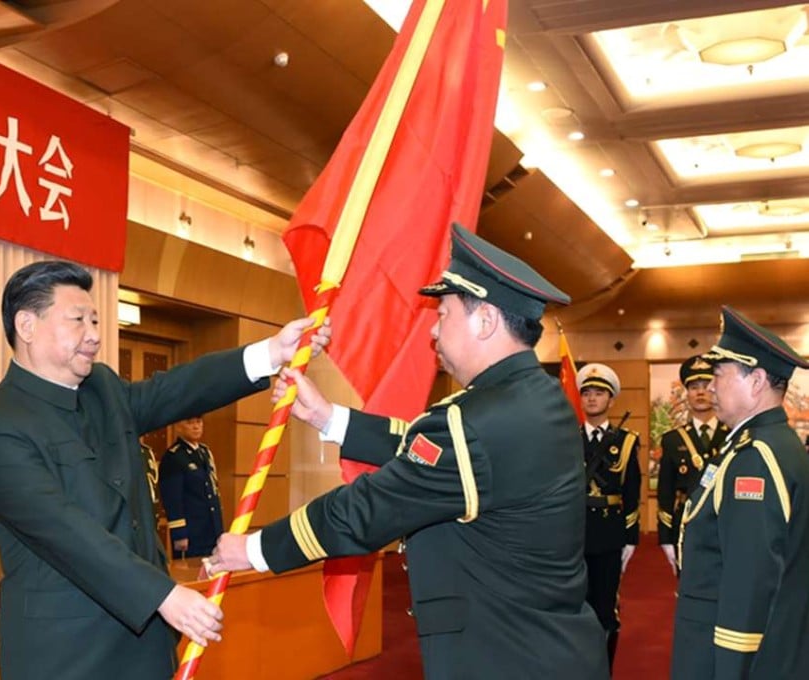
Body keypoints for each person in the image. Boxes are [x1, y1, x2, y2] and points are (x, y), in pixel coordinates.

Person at [211, 224, 608, 679]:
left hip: (503, 658)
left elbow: (364, 511)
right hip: (551, 649)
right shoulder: (536, 397)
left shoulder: (475, 422)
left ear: (485, 321)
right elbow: (428, 453)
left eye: (443, 314)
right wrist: (328, 417)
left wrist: (256, 549)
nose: (434, 333)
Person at [0, 260, 329, 680]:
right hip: (66, 654)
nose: (95, 335)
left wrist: (272, 353)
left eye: (95, 319)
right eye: (78, 320)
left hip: (146, 641)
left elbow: (176, 389)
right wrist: (164, 595)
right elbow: (64, 533)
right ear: (26, 326)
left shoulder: (101, 387)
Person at [672, 306, 809, 679]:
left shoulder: (756, 459)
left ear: (757, 380)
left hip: (726, 657)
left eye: (719, 374)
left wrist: (732, 670)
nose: (710, 386)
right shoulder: (762, 445)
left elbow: (748, 586)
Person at [577, 362, 641, 671]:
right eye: (586, 393)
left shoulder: (626, 442)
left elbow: (632, 491)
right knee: (576, 607)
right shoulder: (567, 439)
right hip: (575, 536)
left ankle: (603, 670)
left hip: (608, 535)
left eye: (599, 393)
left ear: (611, 400)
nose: (591, 398)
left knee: (606, 610)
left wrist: (630, 538)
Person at [657, 355, 728, 575]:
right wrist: (666, 537)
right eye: (693, 387)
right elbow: (665, 491)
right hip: (687, 524)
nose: (700, 392)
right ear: (686, 393)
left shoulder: (734, 434)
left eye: (706, 385)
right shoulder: (672, 440)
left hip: (726, 522)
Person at [159, 416, 223, 558]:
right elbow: (172, 499)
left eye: (198, 422)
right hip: (191, 531)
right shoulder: (174, 457)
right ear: (178, 426)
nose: (196, 427)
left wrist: (219, 527)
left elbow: (213, 491)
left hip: (210, 528)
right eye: (190, 422)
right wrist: (179, 533)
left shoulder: (205, 452)